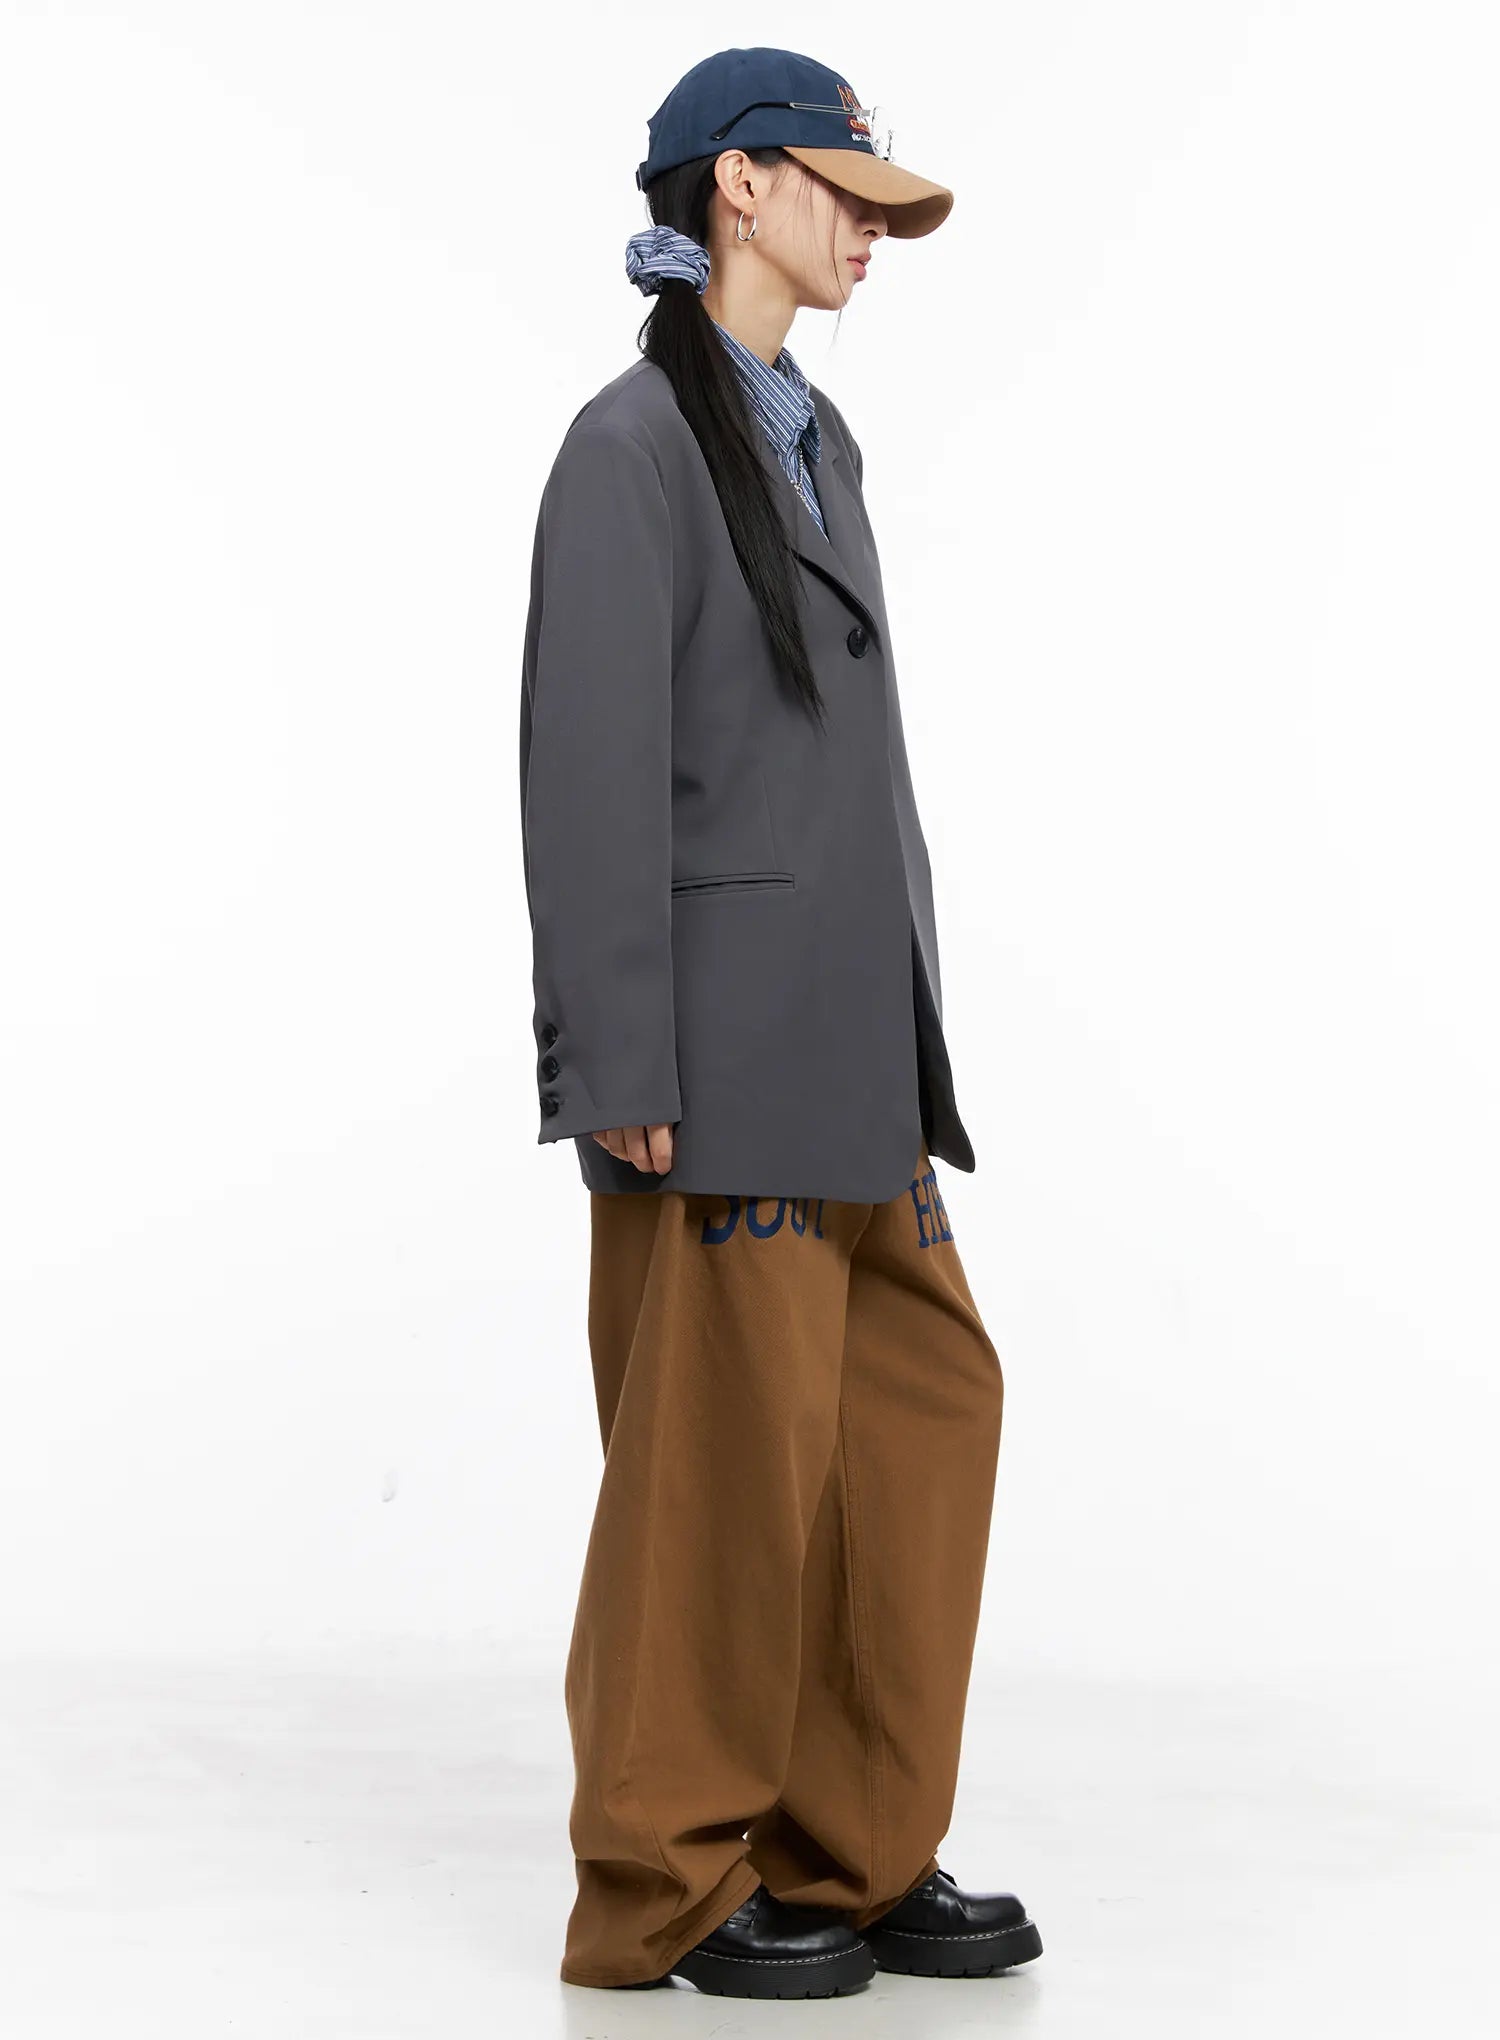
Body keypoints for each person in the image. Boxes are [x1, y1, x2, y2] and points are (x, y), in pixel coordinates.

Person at [517, 44, 1042, 2001]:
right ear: (738, 186)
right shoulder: (631, 447)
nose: (870, 230)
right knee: (718, 1476)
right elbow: (587, 767)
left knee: (919, 1417)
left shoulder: (818, 439)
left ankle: (850, 1848)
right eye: (845, 192)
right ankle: (663, 1876)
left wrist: (914, 1033)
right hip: (718, 1069)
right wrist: (614, 1063)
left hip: (853, 1057)